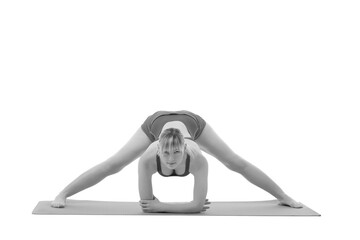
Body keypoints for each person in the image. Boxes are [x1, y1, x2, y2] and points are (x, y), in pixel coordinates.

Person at [51, 110, 303, 211]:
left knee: (235, 162)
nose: (171, 159)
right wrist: (173, 206)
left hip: (191, 121)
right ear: (157, 150)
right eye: (166, 153)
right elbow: (148, 205)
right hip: (156, 122)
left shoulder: (199, 158)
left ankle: (283, 196)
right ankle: (63, 193)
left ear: (186, 149)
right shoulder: (148, 158)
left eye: (177, 153)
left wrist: (164, 206)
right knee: (114, 164)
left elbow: (195, 207)